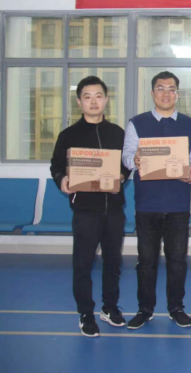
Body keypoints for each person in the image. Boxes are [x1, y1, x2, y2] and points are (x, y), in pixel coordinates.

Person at [122, 70, 191, 330]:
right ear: (152, 93)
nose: (166, 93)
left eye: (171, 89)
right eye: (160, 88)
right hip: (146, 204)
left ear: (177, 94)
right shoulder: (137, 123)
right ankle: (145, 309)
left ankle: (176, 308)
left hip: (178, 205)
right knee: (146, 261)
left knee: (177, 260)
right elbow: (126, 156)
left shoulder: (190, 125)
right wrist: (134, 160)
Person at [50, 76, 131, 337]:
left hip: (114, 209)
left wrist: (122, 176)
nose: (93, 101)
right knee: (83, 264)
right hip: (85, 211)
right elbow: (56, 166)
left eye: (98, 96)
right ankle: (86, 313)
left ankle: (110, 307)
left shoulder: (118, 133)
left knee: (113, 262)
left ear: (106, 100)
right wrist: (62, 180)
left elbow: (126, 164)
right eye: (87, 97)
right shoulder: (68, 135)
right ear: (79, 102)